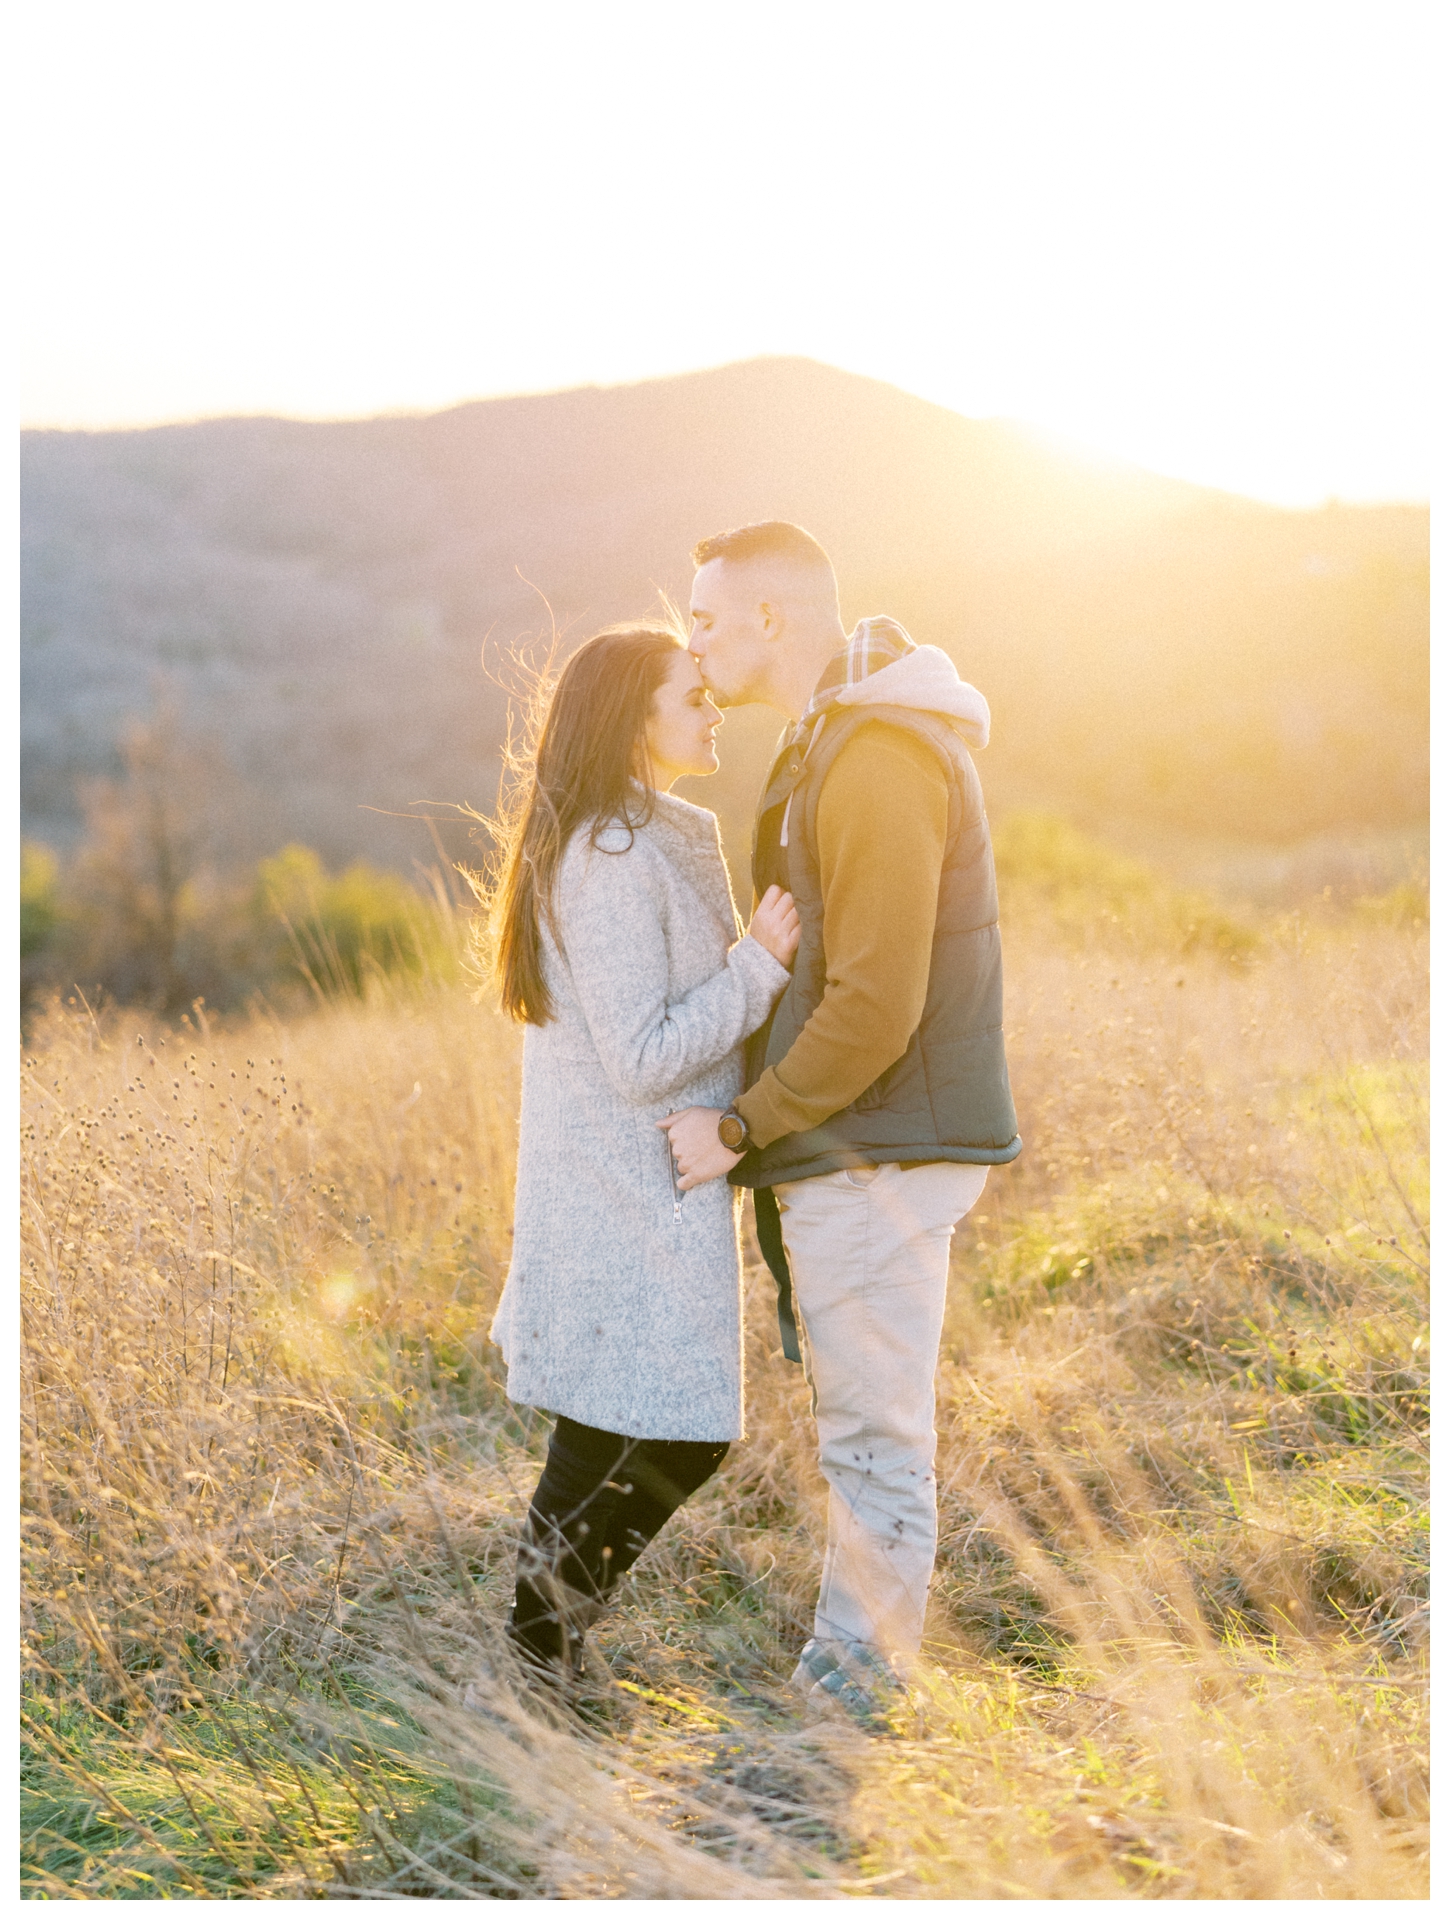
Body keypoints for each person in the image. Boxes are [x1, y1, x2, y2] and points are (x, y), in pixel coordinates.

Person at [662, 522, 1021, 1725]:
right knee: (865, 1441)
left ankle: (843, 1723)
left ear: (772, 618)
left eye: (706, 617)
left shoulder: (870, 756)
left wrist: (742, 1126)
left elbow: (875, 1003)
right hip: (862, 1145)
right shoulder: (836, 740)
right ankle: (844, 1688)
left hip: (876, 1150)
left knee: (873, 1447)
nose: (691, 639)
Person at [484, 621, 800, 1681]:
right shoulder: (611, 858)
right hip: (623, 1193)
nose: (714, 713)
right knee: (666, 1433)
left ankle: (542, 1661)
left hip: (636, 1188)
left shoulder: (640, 834)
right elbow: (638, 1054)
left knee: (610, 1428)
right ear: (634, 722)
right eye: (692, 696)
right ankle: (539, 1653)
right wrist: (757, 967)